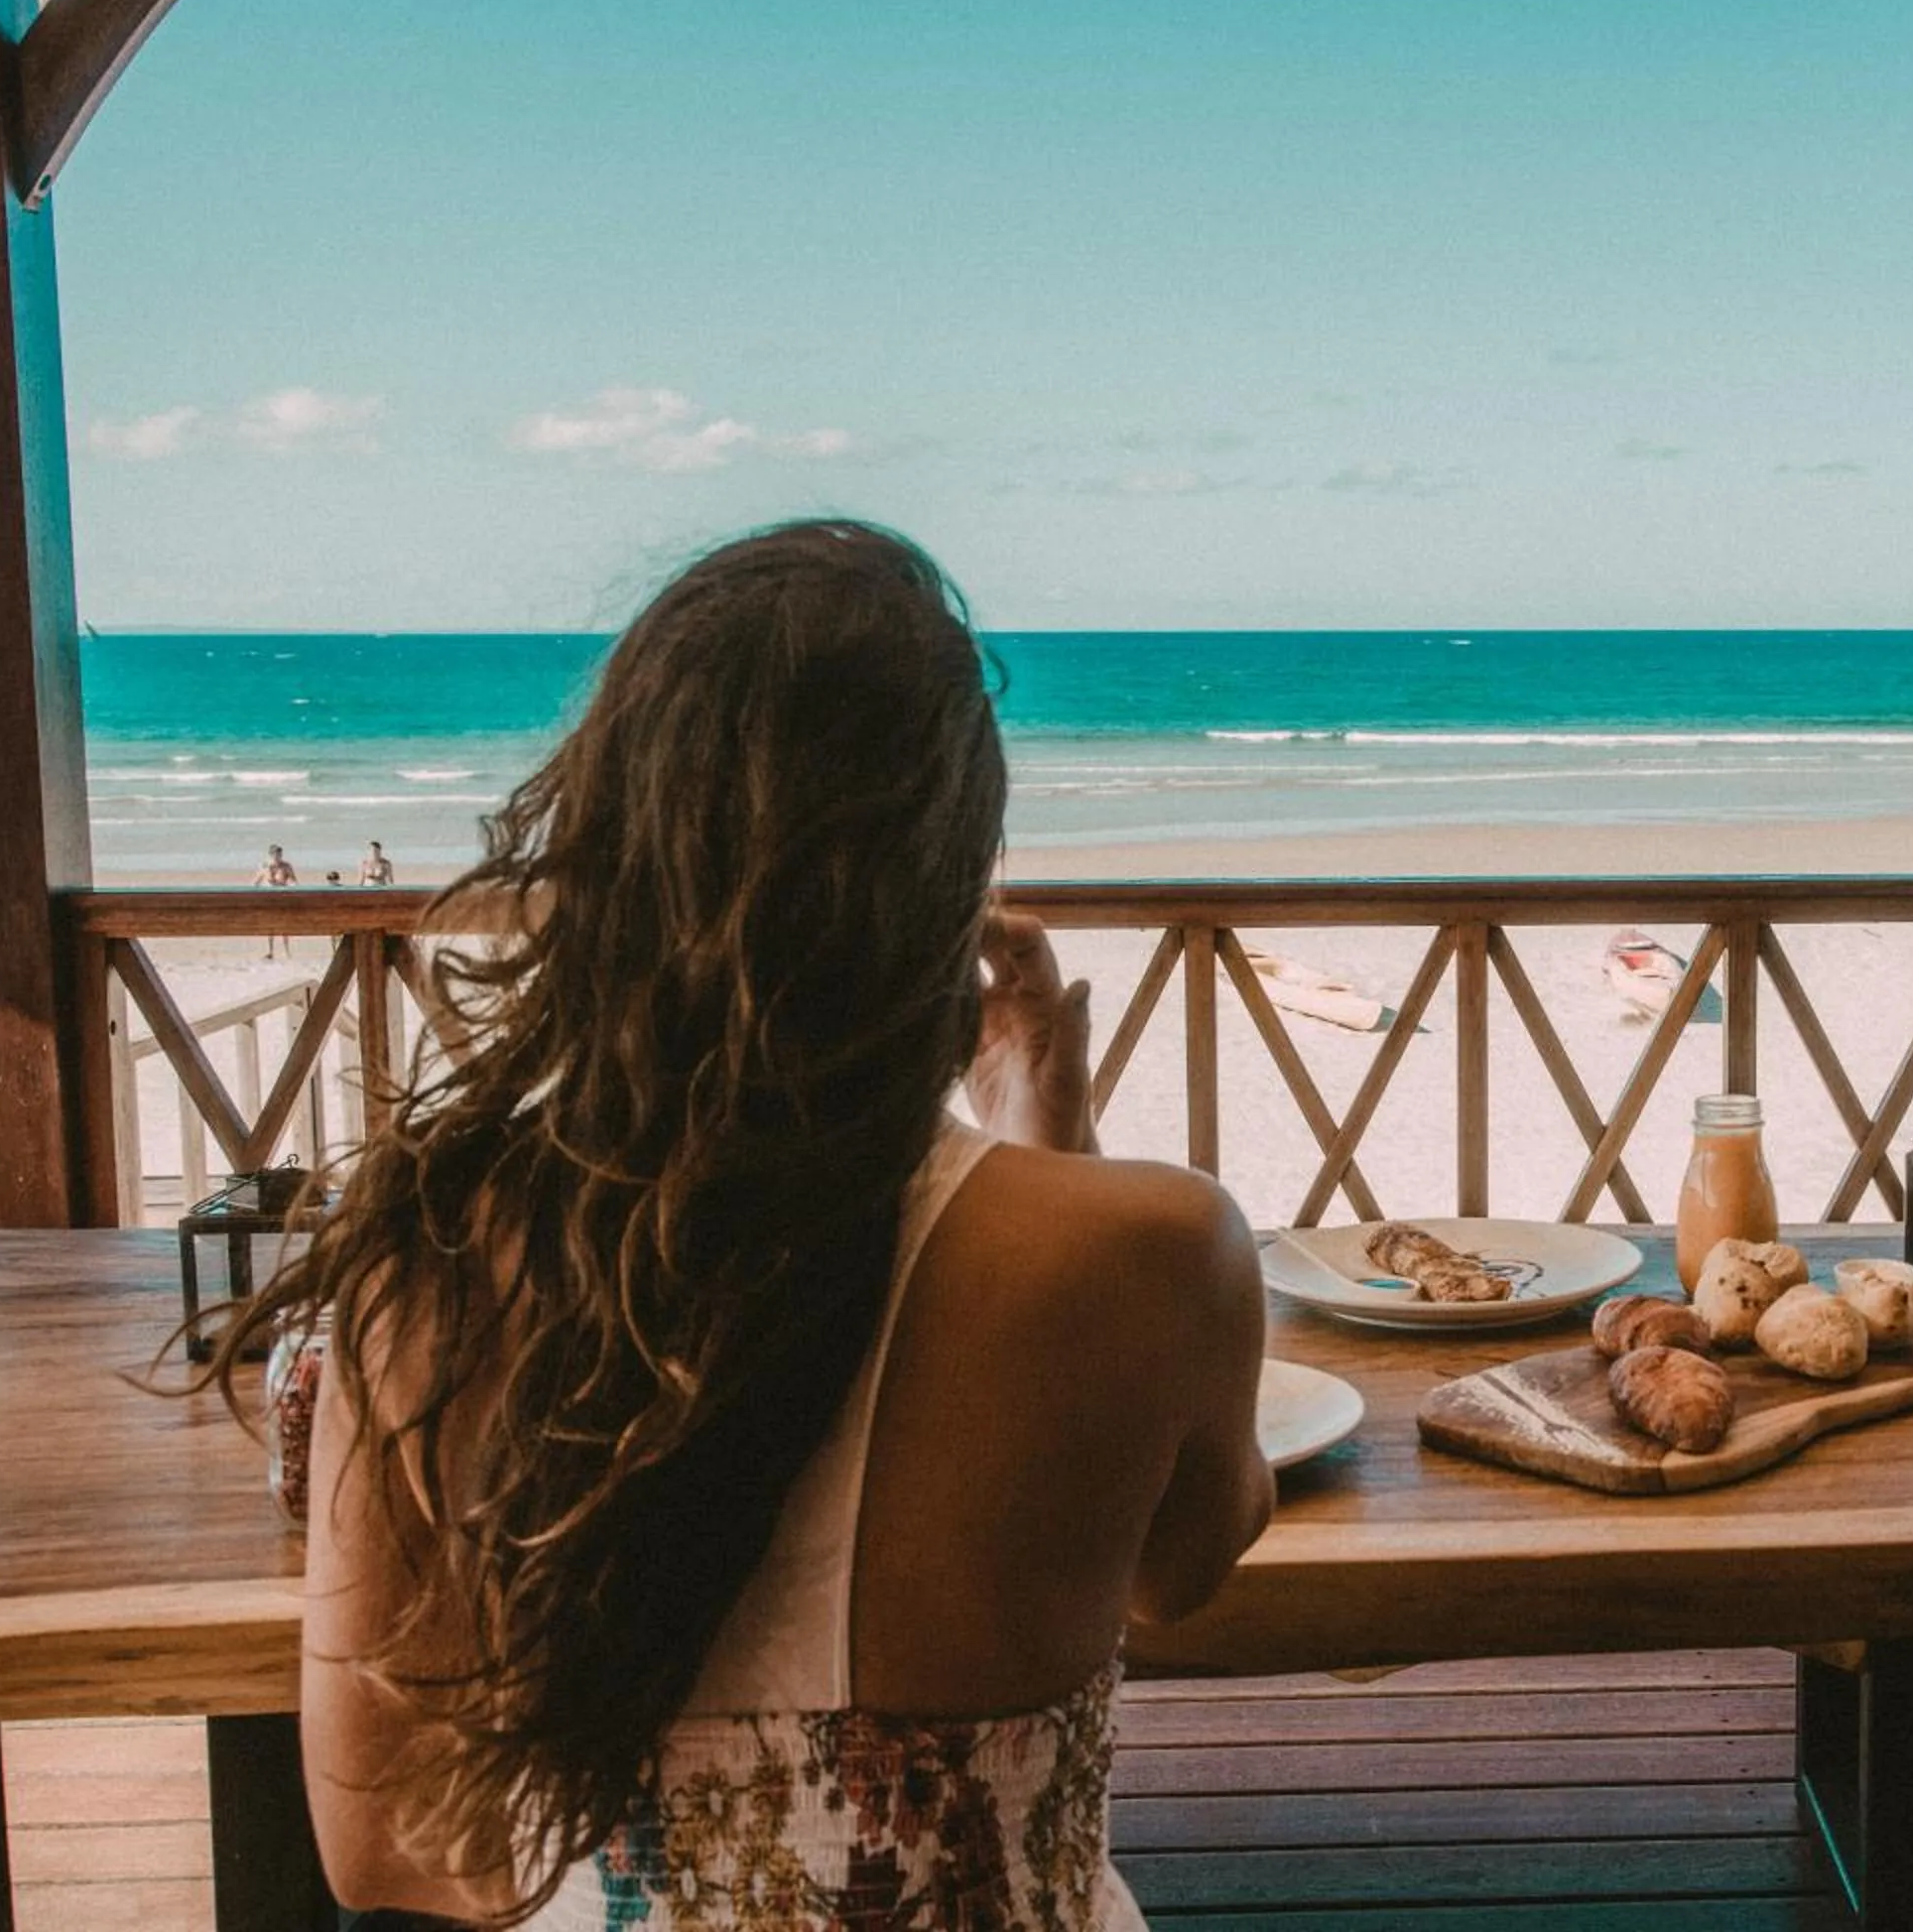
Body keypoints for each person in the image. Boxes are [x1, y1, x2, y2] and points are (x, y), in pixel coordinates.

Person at [209, 522, 1272, 1929]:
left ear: (610, 853)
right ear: (953, 881)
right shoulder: (1152, 1251)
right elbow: (1174, 1572)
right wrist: (1048, 1141)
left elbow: (387, 1850)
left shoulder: (446, 1254)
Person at [252, 843, 299, 960]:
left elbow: (294, 881)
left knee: (284, 926)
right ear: (271, 855)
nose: (278, 857)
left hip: (282, 897)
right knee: (270, 926)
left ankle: (287, 952)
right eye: (276, 855)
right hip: (269, 898)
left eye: (279, 854)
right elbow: (255, 883)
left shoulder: (286, 866)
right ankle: (270, 951)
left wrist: (291, 887)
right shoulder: (265, 866)